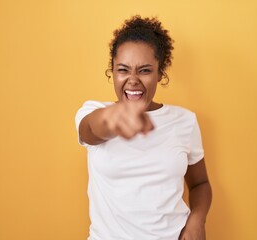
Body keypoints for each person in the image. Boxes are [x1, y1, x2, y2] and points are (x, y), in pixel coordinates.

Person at [75, 15, 212, 240]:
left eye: (145, 70)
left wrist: (198, 219)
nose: (133, 79)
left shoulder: (185, 121)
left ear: (160, 73)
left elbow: (200, 183)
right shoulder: (93, 112)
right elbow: (91, 130)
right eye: (123, 70)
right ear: (112, 71)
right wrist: (116, 117)